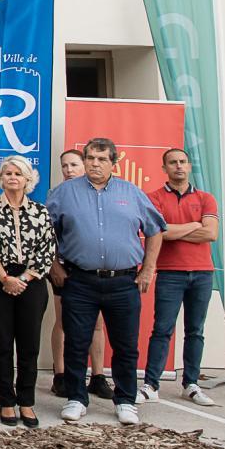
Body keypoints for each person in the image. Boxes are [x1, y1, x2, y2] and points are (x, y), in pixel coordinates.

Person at [47, 137, 166, 426]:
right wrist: (54, 267)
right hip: (79, 280)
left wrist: (148, 268)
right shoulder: (63, 193)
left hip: (123, 282)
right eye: (90, 158)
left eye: (101, 159)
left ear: (114, 162)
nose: (95, 164)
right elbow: (43, 231)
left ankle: (125, 400)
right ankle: (76, 398)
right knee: (76, 342)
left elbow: (155, 229)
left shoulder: (132, 193)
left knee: (125, 345)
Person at [0, 156, 55, 427]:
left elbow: (47, 250)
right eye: (7, 173)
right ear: (0, 178)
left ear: (27, 179)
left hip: (31, 282)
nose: (12, 177)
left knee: (29, 346)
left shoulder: (40, 212)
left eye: (17, 173)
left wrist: (24, 278)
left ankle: (27, 402)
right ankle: (6, 402)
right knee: (2, 345)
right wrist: (5, 278)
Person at [142, 149, 220, 407]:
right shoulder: (154, 198)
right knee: (162, 329)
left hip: (202, 273)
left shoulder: (205, 198)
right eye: (173, 162)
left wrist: (174, 231)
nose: (179, 166)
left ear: (188, 166)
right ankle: (151, 385)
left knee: (195, 331)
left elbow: (210, 234)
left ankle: (191, 384)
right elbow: (159, 233)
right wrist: (193, 225)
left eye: (183, 162)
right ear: (164, 167)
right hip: (170, 272)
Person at [51, 148, 109, 400]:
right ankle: (60, 375)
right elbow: (46, 233)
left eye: (73, 165)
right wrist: (55, 265)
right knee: (64, 319)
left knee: (96, 322)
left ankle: (97, 376)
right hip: (64, 267)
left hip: (92, 269)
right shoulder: (56, 195)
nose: (68, 170)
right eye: (64, 165)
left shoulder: (96, 194)